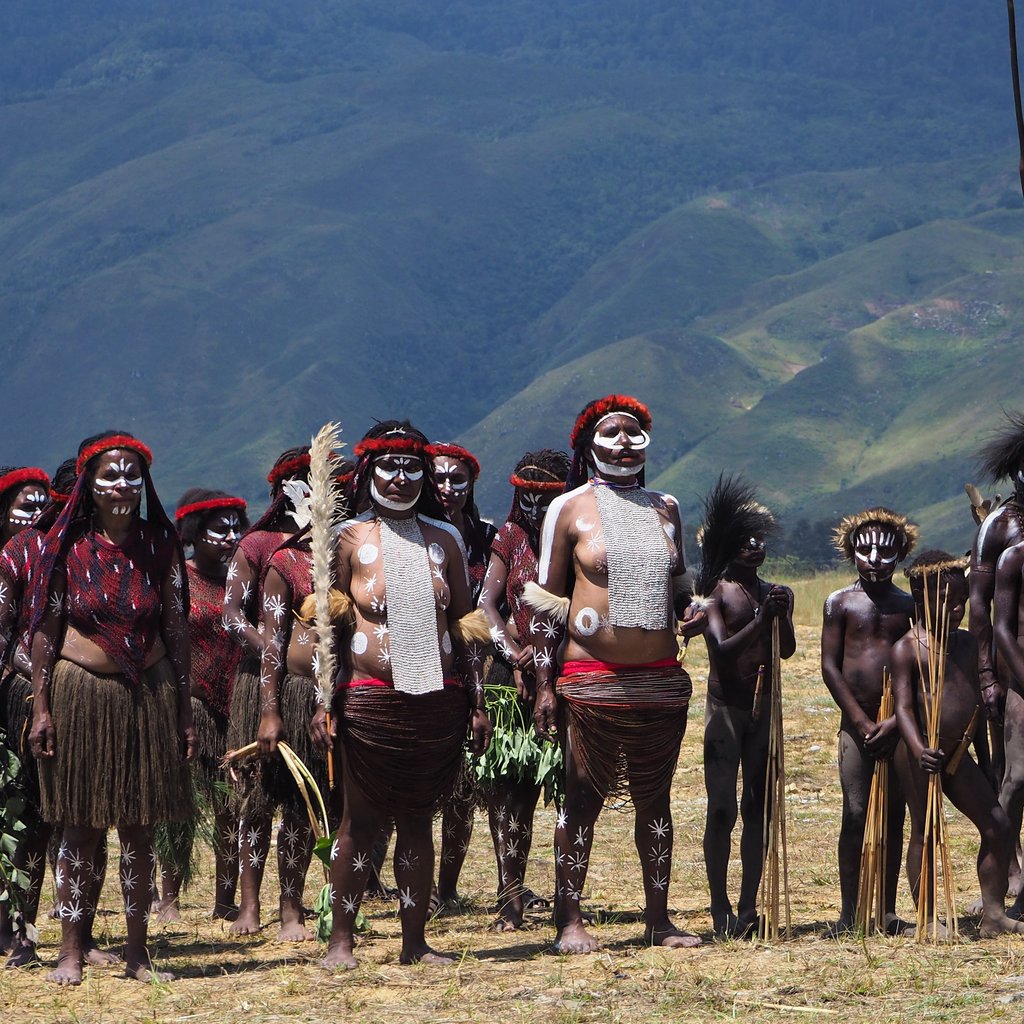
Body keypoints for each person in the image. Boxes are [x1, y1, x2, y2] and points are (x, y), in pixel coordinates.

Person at [528, 395, 706, 953]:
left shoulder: (666, 507)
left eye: (634, 432)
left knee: (657, 799)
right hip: (590, 677)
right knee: (582, 797)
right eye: (612, 433)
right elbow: (544, 603)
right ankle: (569, 919)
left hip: (659, 679)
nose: (625, 442)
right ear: (589, 445)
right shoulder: (568, 509)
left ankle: (659, 919)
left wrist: (692, 611)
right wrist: (543, 685)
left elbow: (679, 588)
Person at [314, 421, 491, 969]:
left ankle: (415, 943)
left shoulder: (445, 539)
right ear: (369, 472)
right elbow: (327, 625)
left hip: (435, 702)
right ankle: (341, 942)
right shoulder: (348, 538)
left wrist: (478, 703)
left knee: (417, 821)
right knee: (360, 823)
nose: (400, 477)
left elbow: (465, 625)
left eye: (412, 467)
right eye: (388, 466)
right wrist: (324, 701)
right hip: (368, 700)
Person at [28, 431, 195, 985]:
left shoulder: (160, 544)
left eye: (131, 475)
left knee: (139, 829)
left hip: (149, 692)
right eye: (110, 475)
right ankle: (70, 951)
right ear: (90, 485)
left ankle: (138, 954)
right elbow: (46, 629)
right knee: (80, 827)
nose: (122, 484)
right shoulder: (66, 546)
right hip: (81, 694)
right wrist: (42, 707)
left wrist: (184, 710)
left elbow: (176, 627)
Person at [892, 551, 1024, 938]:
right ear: (921, 598)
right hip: (919, 753)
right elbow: (903, 708)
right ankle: (927, 919)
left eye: (962, 601)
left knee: (997, 824)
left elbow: (976, 709)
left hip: (958, 752)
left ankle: (993, 915)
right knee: (925, 831)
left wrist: (984, 759)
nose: (957, 609)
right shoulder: (908, 648)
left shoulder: (965, 644)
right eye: (947, 602)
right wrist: (919, 749)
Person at [475, 448, 571, 930]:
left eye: (544, 498)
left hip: (569, 675)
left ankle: (568, 902)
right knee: (510, 792)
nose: (534, 508)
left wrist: (553, 654)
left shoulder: (577, 536)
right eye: (526, 497)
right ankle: (510, 897)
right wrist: (514, 653)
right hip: (509, 681)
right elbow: (486, 604)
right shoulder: (509, 538)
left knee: (569, 789)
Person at [222, 446, 311, 936]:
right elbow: (231, 616)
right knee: (256, 799)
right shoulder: (257, 544)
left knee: (301, 798)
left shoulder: (331, 544)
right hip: (258, 686)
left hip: (310, 689)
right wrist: (274, 649)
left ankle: (291, 906)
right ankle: (249, 906)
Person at [153, 489, 248, 923]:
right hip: (188, 706)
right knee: (181, 806)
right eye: (219, 529)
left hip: (235, 707)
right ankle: (169, 900)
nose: (230, 537)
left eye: (235, 528)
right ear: (194, 532)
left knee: (231, 806)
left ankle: (225, 901)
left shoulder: (242, 583)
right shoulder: (178, 580)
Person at [820, 508, 916, 935]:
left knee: (893, 814)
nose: (875, 559)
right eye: (866, 550)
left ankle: (887, 911)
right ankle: (849, 912)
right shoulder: (840, 603)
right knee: (856, 811)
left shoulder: (909, 606)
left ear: (901, 553)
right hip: (856, 726)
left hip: (898, 725)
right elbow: (830, 667)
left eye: (885, 551)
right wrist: (859, 721)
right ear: (850, 552)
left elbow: (920, 667)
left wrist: (896, 721)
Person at [701, 499, 795, 938]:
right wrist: (761, 619)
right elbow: (721, 650)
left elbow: (786, 649)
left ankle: (748, 908)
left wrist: (782, 615)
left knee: (758, 807)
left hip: (763, 711)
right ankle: (720, 907)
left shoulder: (774, 592)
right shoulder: (716, 593)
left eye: (759, 540)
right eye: (745, 540)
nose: (755, 546)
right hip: (725, 710)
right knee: (722, 808)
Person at [0, 462, 76, 966]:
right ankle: (11, 929)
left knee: (51, 818)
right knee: (19, 815)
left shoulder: (61, 550)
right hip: (19, 699)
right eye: (23, 504)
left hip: (61, 698)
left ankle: (30, 928)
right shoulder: (17, 556)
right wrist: (36, 676)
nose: (34, 512)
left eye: (41, 503)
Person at [252, 524, 335, 941]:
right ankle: (290, 908)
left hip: (352, 696)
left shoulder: (359, 552)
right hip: (300, 695)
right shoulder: (285, 563)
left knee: (344, 810)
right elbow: (273, 642)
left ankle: (341, 905)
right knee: (300, 809)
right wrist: (270, 710)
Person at [428, 441, 497, 911]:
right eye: (439, 478)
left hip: (480, 670)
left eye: (458, 479)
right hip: (423, 668)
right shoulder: (414, 534)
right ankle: (387, 883)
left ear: (471, 485)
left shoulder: (487, 536)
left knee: (464, 789)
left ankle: (447, 888)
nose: (447, 487)